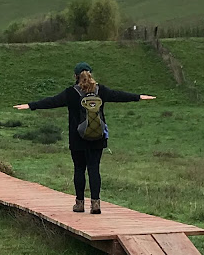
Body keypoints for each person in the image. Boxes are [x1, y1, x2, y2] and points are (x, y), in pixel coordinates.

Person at [13, 62, 156, 214]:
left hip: (77, 139)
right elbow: (119, 95)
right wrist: (138, 97)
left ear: (75, 76)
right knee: (94, 169)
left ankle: (79, 204)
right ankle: (96, 204)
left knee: (79, 169)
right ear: (90, 74)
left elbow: (51, 101)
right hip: (98, 137)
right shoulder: (101, 90)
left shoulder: (70, 93)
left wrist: (31, 105)